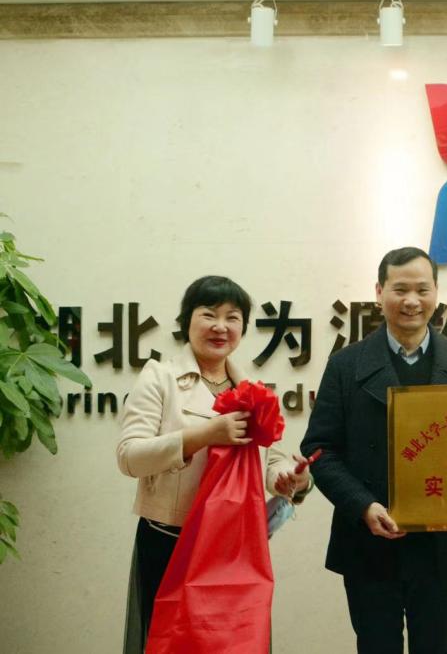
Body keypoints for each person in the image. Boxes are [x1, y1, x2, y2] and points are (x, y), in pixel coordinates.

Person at [301, 247, 447, 654]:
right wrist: (363, 505)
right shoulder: (345, 365)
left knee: (437, 647)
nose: (411, 301)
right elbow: (319, 449)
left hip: (442, 546)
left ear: (437, 293)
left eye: (422, 289)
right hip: (369, 540)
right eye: (400, 290)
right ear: (379, 292)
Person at [116, 275, 311, 653]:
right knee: (169, 644)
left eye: (232, 317)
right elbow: (129, 457)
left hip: (233, 550)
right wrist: (204, 435)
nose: (221, 326)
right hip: (170, 542)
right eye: (209, 314)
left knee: (236, 643)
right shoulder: (159, 377)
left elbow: (273, 462)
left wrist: (290, 479)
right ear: (187, 321)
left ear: (243, 328)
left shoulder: (253, 391)